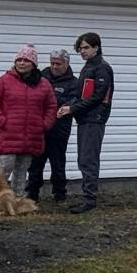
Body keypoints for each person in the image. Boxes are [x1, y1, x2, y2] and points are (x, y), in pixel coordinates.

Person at [0, 45, 56, 204]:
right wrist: (3, 122)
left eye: (26, 60)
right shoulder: (3, 81)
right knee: (4, 169)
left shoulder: (43, 84)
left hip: (31, 136)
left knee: (22, 170)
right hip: (9, 135)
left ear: (34, 64)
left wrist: (44, 125)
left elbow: (51, 106)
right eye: (19, 60)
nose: (22, 63)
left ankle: (17, 200)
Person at [61, 32, 114, 213]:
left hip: (94, 119)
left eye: (86, 47)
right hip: (85, 119)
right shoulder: (89, 67)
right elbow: (81, 93)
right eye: (80, 48)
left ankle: (89, 199)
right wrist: (69, 105)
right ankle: (87, 196)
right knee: (84, 159)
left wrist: (73, 109)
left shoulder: (101, 68)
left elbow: (97, 96)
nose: (82, 51)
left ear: (96, 47)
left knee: (88, 159)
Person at [32, 49, 79, 204]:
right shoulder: (40, 77)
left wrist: (54, 100)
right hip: (39, 128)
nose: (54, 66)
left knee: (58, 163)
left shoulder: (74, 82)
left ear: (66, 63)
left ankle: (60, 195)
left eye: (58, 64)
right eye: (52, 63)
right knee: (35, 164)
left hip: (59, 129)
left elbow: (73, 102)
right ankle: (32, 194)